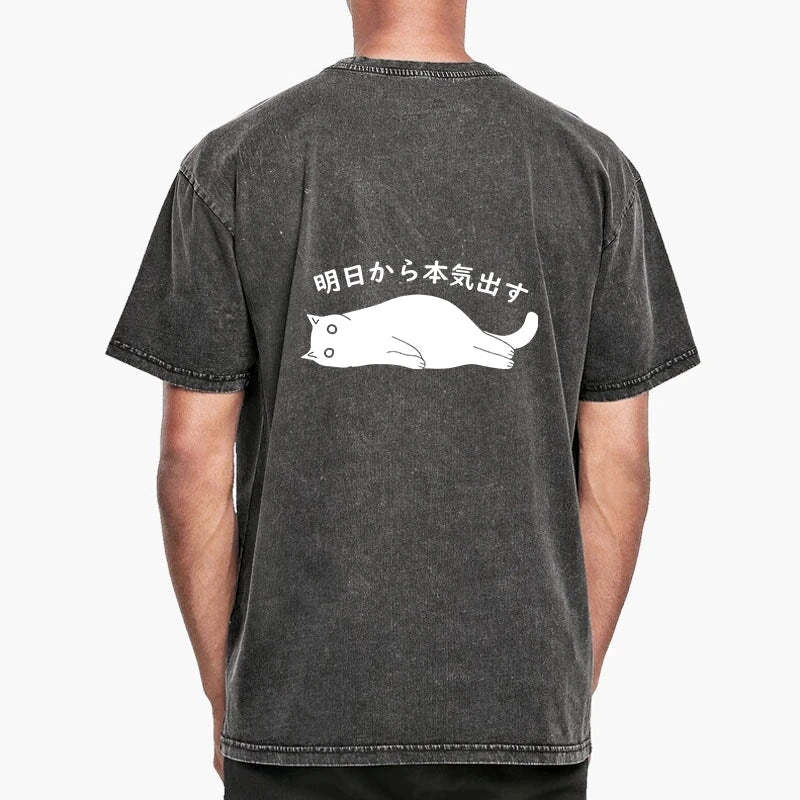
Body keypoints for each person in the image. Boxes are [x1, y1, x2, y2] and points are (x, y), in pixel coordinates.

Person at [107, 1, 698, 797]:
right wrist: (557, 692)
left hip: (298, 716)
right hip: (519, 714)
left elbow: (189, 462)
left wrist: (229, 696)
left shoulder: (234, 163)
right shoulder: (590, 168)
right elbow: (618, 467)